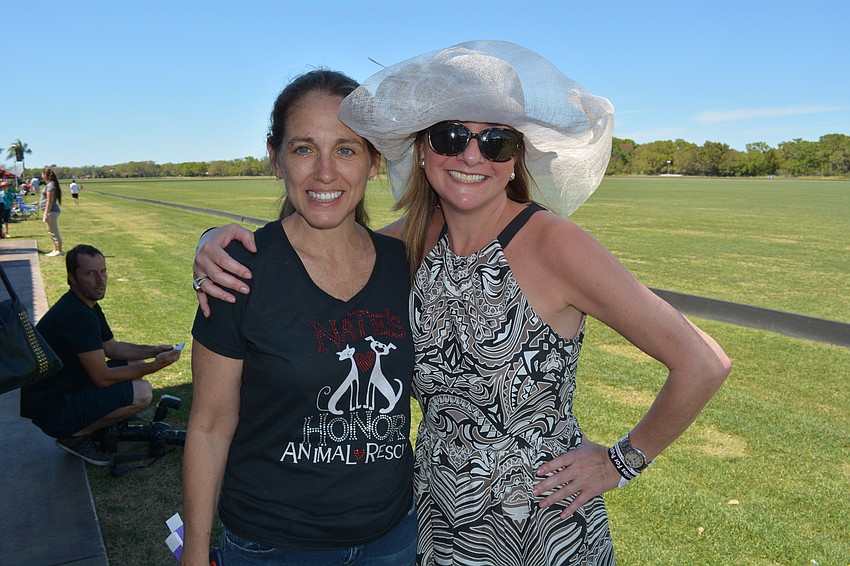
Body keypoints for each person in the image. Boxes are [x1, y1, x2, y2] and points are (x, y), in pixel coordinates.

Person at [194, 41, 732, 565]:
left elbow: (703, 363)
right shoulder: (414, 241)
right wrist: (215, 244)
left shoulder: (553, 243)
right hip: (429, 525)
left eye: (495, 141)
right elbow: (323, 251)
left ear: (516, 155)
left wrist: (621, 461)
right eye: (452, 137)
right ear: (424, 150)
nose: (471, 156)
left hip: (535, 529)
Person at [181, 70, 417, 566]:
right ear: (276, 158)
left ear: (374, 161)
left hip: (392, 538)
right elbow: (209, 425)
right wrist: (196, 554)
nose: (325, 173)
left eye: (347, 149)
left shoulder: (404, 263)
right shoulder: (238, 273)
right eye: (305, 148)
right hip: (273, 545)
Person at [19, 244, 182, 466]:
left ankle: (104, 417)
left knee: (135, 361)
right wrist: (155, 366)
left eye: (103, 271)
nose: (100, 280)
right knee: (142, 392)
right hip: (54, 411)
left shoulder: (85, 304)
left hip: (65, 391)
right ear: (72, 278)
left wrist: (154, 351)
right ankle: (74, 436)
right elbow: (102, 377)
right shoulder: (77, 316)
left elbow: (112, 348)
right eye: (90, 273)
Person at [40, 167, 63, 256]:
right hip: (50, 211)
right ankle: (55, 249)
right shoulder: (50, 184)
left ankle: (59, 250)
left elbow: (49, 201)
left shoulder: (50, 185)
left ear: (46, 175)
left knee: (53, 231)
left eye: (42, 174)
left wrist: (46, 213)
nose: (41, 176)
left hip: (51, 211)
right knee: (50, 231)